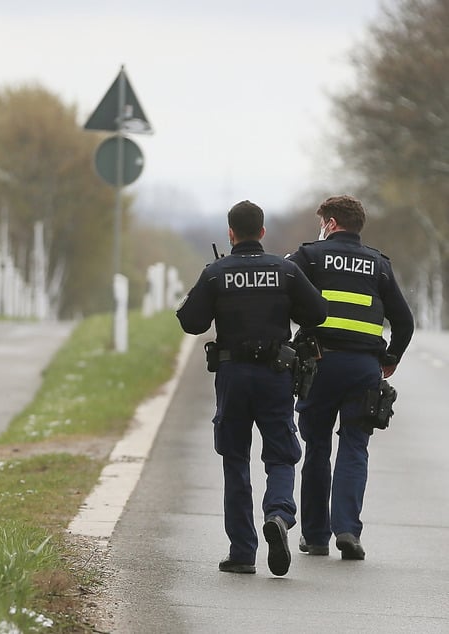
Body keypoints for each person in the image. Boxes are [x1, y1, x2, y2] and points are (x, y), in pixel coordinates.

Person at [177, 200, 328, 576]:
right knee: (280, 454)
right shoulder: (286, 270)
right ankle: (278, 514)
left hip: (233, 377)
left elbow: (191, 323)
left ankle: (243, 552)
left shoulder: (216, 272)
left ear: (231, 233)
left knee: (235, 459)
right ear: (262, 232)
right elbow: (318, 314)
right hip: (276, 375)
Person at [287, 194, 414, 561]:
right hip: (363, 369)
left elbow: (282, 290)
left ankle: (314, 536)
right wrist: (391, 357)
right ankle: (347, 529)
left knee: (317, 448)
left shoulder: (309, 256)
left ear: (329, 222)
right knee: (355, 447)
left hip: (319, 363)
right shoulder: (379, 265)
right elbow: (403, 322)